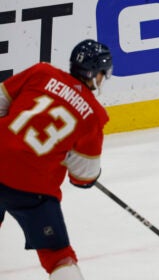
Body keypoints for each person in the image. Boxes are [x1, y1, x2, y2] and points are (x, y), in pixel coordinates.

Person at [0, 39, 112, 280]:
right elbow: (83, 176)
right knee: (58, 256)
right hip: (31, 187)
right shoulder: (94, 115)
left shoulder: (41, 72)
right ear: (95, 75)